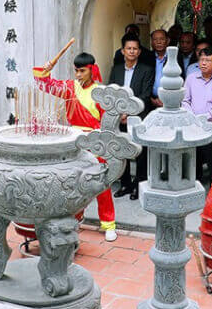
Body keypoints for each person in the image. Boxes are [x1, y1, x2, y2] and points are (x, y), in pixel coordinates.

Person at [34, 52, 118, 242]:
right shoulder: (70, 88)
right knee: (74, 183)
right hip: (75, 141)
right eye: (76, 71)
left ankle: (109, 223)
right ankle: (76, 218)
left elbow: (107, 123)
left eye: (82, 71)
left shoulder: (100, 92)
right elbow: (45, 85)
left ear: (92, 70)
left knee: (101, 184)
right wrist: (46, 71)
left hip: (96, 141)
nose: (78, 75)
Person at [110, 33, 154, 200]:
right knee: (122, 151)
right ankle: (125, 184)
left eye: (135, 48)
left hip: (138, 116)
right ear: (122, 51)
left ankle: (138, 185)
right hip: (119, 117)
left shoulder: (147, 70)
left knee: (140, 152)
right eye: (129, 48)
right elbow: (112, 91)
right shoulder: (117, 69)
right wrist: (119, 113)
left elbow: (145, 94)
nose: (132, 51)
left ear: (139, 51)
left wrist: (128, 112)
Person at [181, 47, 212, 181]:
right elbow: (185, 100)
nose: (203, 63)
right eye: (201, 59)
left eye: (208, 60)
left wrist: (206, 117)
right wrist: (193, 118)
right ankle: (194, 186)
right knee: (194, 159)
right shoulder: (191, 78)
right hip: (193, 126)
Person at [150, 29, 169, 110]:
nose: (159, 42)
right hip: (150, 101)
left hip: (170, 101)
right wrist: (151, 99)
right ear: (151, 42)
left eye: (162, 39)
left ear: (168, 41)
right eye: (155, 39)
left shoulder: (175, 57)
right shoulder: (147, 58)